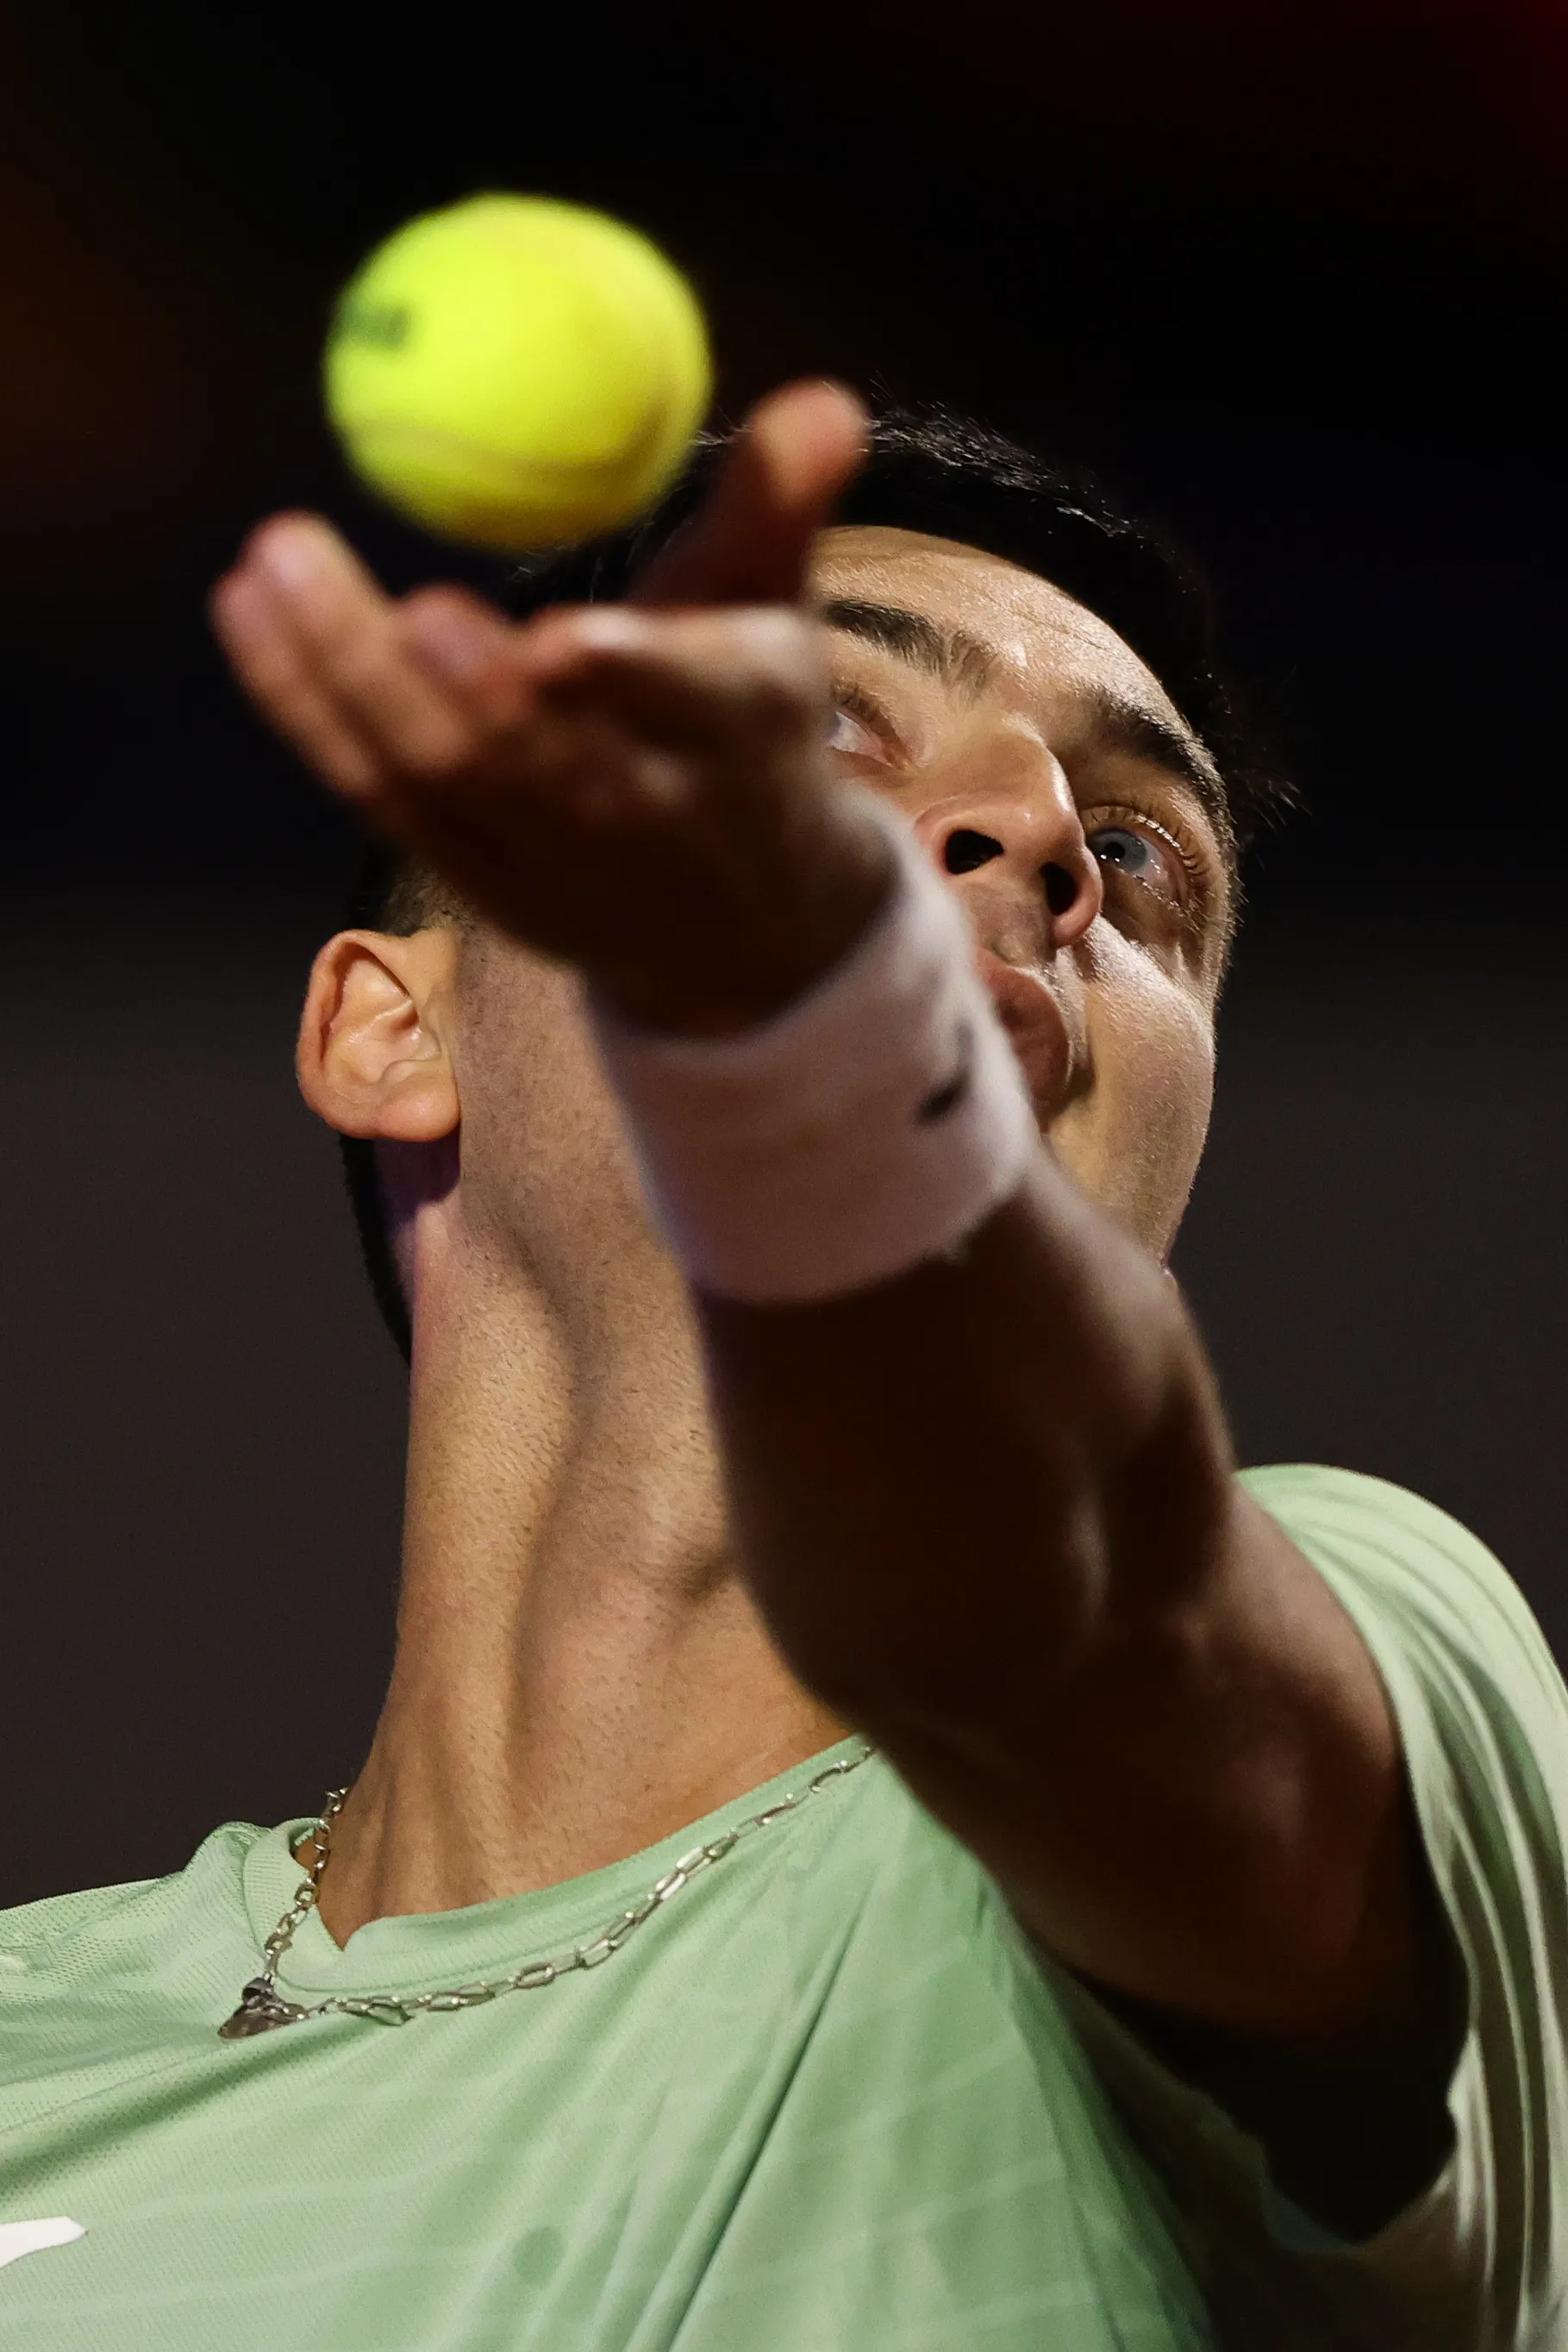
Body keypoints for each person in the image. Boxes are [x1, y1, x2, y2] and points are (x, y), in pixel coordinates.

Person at [1, 382, 1564, 2352]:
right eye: (813, 729)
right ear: (395, 1029)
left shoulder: (1385, 1648)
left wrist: (847, 1124)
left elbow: (1086, 1621)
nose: (1042, 839)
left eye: (1148, 857)